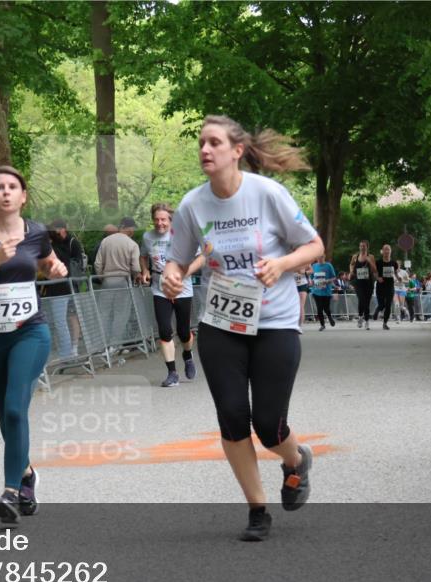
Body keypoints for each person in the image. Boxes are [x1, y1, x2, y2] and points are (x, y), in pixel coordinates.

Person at [162, 114, 323, 541]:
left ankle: (295, 461)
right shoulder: (192, 205)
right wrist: (172, 274)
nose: (204, 150)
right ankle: (257, 510)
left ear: (237, 151)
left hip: (275, 322)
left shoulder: (268, 193)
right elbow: (177, 257)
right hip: (220, 324)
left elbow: (315, 244)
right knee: (233, 418)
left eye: (214, 142)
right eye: (201, 143)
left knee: (269, 425)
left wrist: (283, 263)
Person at [0, 166, 67, 523]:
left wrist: (55, 269)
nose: (5, 192)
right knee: (6, 415)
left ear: (23, 196)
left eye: (12, 187)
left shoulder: (36, 232)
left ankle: (10, 491)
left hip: (29, 333)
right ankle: (27, 475)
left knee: (17, 410)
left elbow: (49, 262)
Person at [140, 203, 205, 387]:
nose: (159, 223)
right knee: (164, 330)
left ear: (171, 220)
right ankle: (172, 373)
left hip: (181, 287)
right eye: (156, 219)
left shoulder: (183, 235)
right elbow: (143, 256)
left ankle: (187, 355)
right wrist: (144, 270)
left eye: (163, 220)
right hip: (159, 288)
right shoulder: (147, 237)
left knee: (184, 332)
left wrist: (185, 272)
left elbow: (200, 257)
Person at [94, 217, 141, 348]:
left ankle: (102, 344)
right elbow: (136, 268)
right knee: (121, 314)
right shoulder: (132, 244)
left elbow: (98, 264)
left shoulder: (105, 241)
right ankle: (115, 344)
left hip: (107, 281)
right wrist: (136, 276)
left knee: (104, 313)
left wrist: (103, 277)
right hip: (123, 281)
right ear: (130, 229)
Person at [45, 220, 87, 358]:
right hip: (69, 287)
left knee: (63, 320)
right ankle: (70, 350)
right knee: (67, 318)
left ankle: (68, 352)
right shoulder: (61, 246)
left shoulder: (59, 247)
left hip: (61, 288)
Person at [349, 241, 377, 329]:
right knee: (361, 299)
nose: (362, 247)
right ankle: (365, 319)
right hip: (358, 282)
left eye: (364, 246)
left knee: (366, 301)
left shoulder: (371, 256)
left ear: (367, 247)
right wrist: (351, 272)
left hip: (368, 282)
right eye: (361, 246)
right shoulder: (355, 256)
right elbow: (351, 264)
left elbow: (375, 269)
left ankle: (363, 319)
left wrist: (370, 262)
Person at [373, 244, 398, 330]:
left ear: (390, 251)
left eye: (388, 250)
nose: (387, 251)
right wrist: (377, 278)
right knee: (382, 304)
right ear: (382, 252)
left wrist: (399, 278)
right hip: (380, 285)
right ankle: (377, 309)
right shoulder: (378, 262)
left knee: (388, 305)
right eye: (385, 250)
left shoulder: (394, 263)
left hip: (390, 286)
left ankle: (385, 323)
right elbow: (374, 273)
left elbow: (396, 273)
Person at [310, 254, 337, 331]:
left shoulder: (328, 266)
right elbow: (312, 277)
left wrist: (327, 281)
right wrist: (311, 282)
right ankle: (322, 325)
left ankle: (329, 317)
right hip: (316, 290)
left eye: (321, 257)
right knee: (319, 309)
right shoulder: (314, 266)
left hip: (326, 291)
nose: (319, 258)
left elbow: (334, 277)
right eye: (318, 257)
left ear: (324, 257)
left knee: (326, 308)